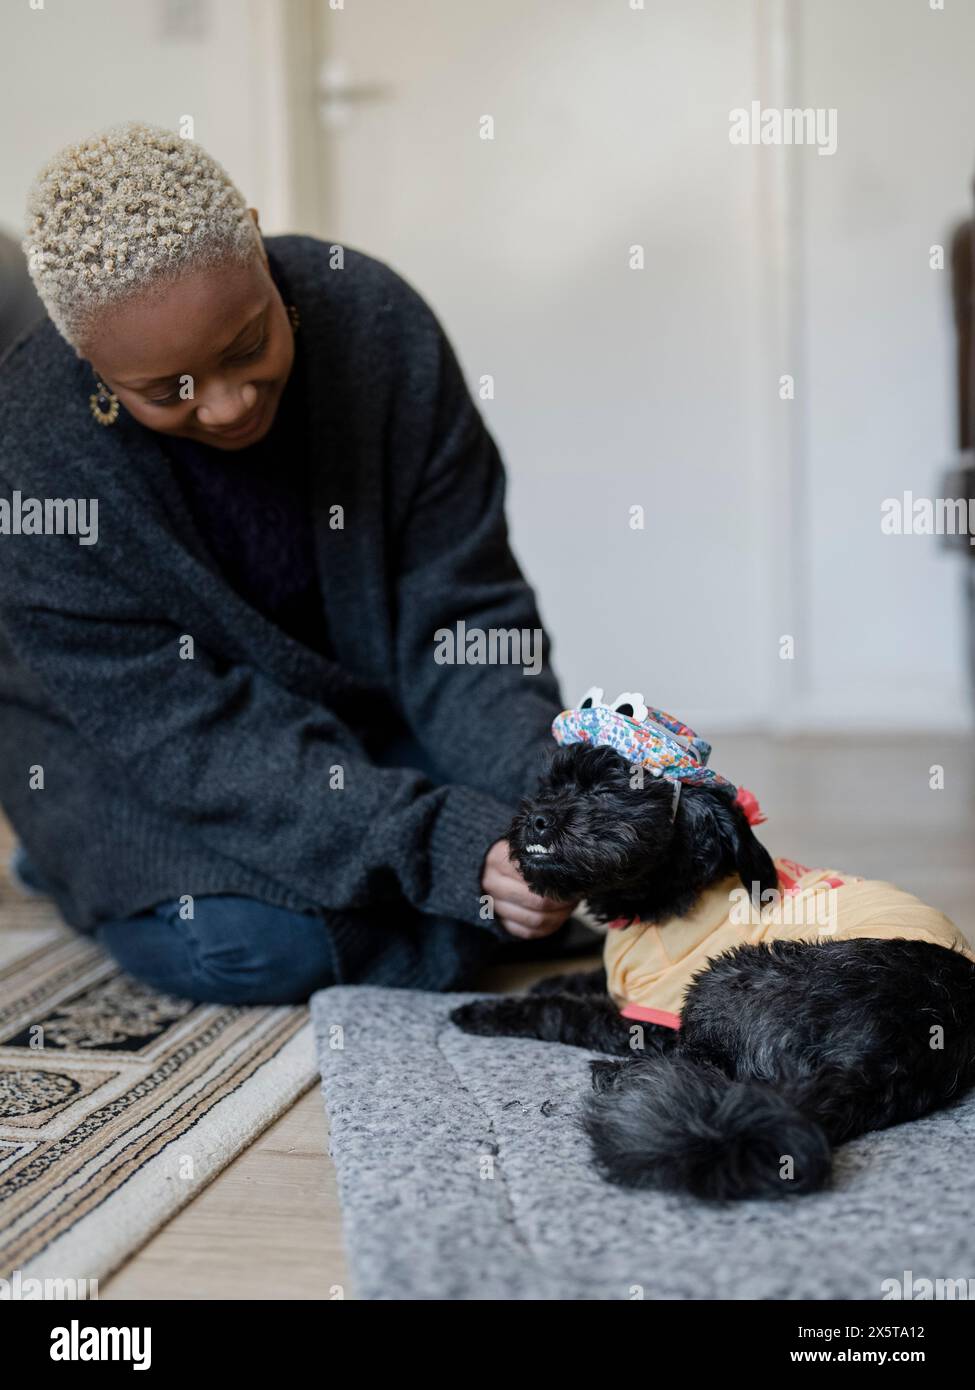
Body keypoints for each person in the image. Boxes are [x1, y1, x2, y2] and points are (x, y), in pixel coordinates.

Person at [0, 122, 581, 1004]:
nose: (230, 405)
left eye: (246, 346)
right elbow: (183, 733)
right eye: (168, 392)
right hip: (125, 745)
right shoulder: (34, 453)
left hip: (351, 711)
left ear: (257, 239)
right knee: (251, 947)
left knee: (547, 820)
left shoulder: (377, 326)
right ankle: (65, 852)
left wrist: (544, 803)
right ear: (88, 359)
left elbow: (464, 618)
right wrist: (447, 852)